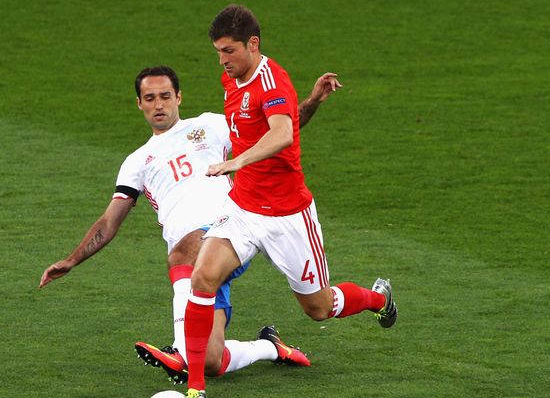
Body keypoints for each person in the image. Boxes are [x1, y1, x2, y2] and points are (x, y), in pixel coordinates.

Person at [39, 65, 335, 384]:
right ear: (139, 103)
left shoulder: (209, 125)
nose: (159, 104)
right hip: (194, 270)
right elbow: (110, 222)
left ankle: (181, 351)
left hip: (231, 231)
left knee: (185, 252)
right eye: (150, 98)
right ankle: (270, 348)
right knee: (209, 360)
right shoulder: (136, 162)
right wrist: (71, 260)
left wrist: (313, 100)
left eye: (165, 96)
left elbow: (275, 133)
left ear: (179, 97)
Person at [181, 5, 397, 398]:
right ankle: (196, 387)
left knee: (319, 308)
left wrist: (235, 161)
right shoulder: (232, 80)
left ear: (253, 43)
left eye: (229, 51)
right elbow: (286, 126)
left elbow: (282, 135)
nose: (222, 60)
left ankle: (378, 298)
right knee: (202, 276)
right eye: (218, 52)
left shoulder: (272, 81)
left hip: (288, 216)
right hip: (243, 208)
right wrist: (312, 102)